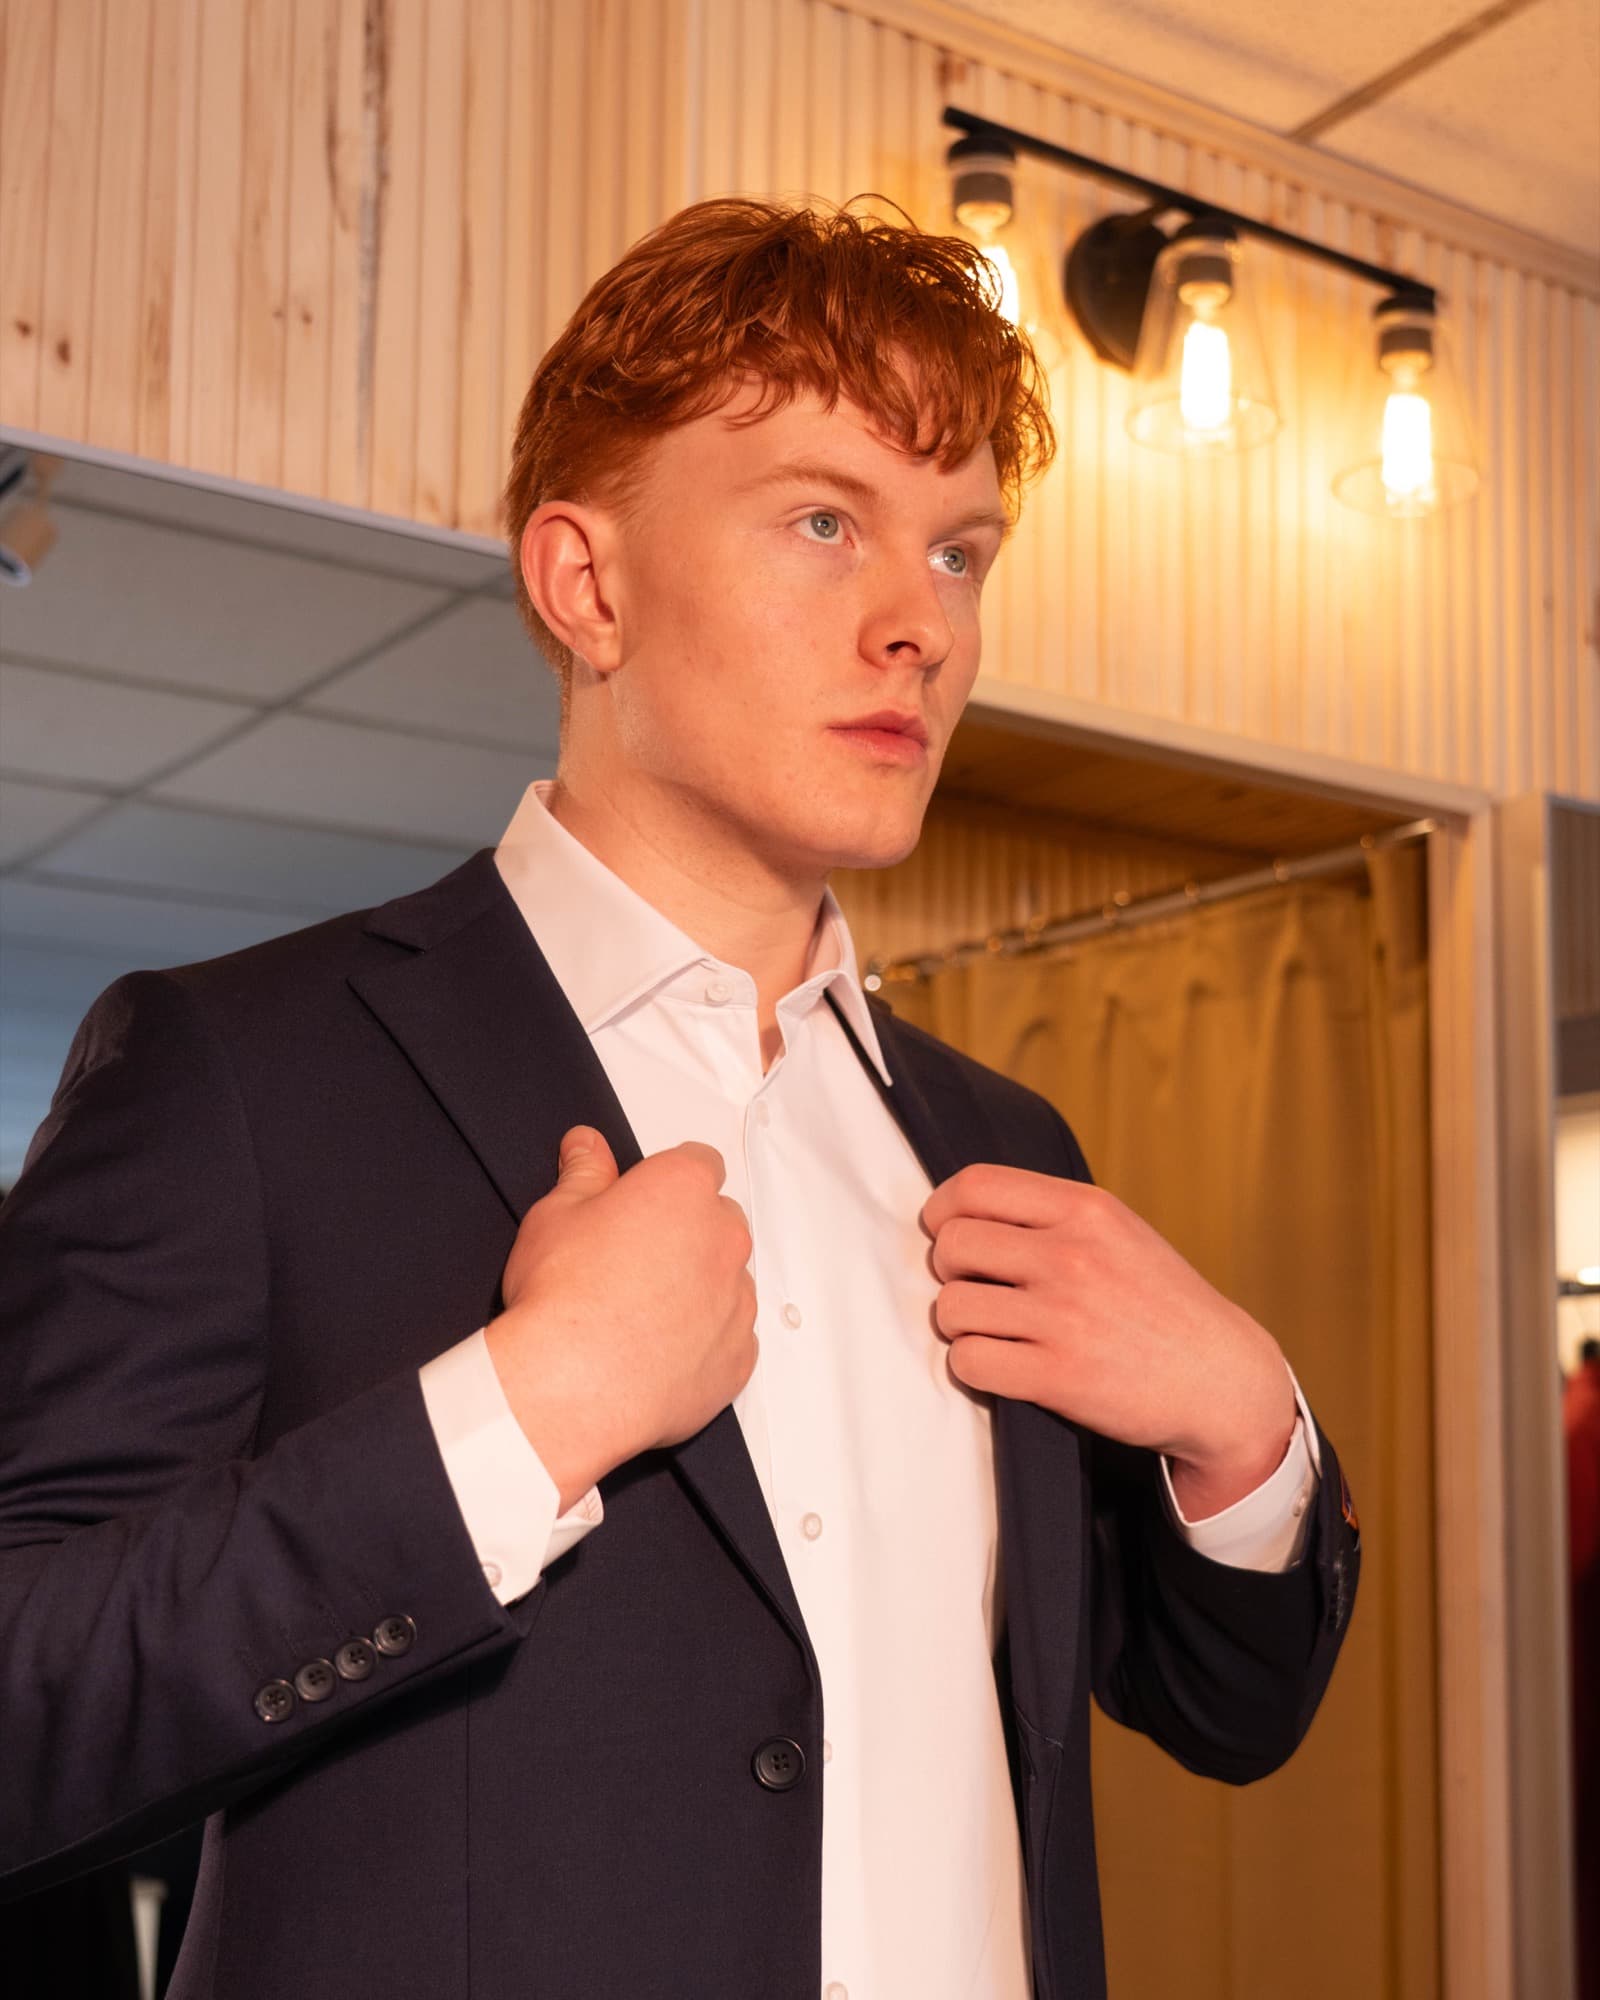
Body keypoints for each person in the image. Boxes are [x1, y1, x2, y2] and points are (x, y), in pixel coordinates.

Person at [0, 195, 1359, 2000]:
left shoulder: (1008, 1150)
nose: (920, 630)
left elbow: (1227, 1712)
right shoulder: (241, 1071)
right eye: (824, 521)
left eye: (962, 554)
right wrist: (520, 1410)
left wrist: (1244, 1425)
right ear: (590, 584)